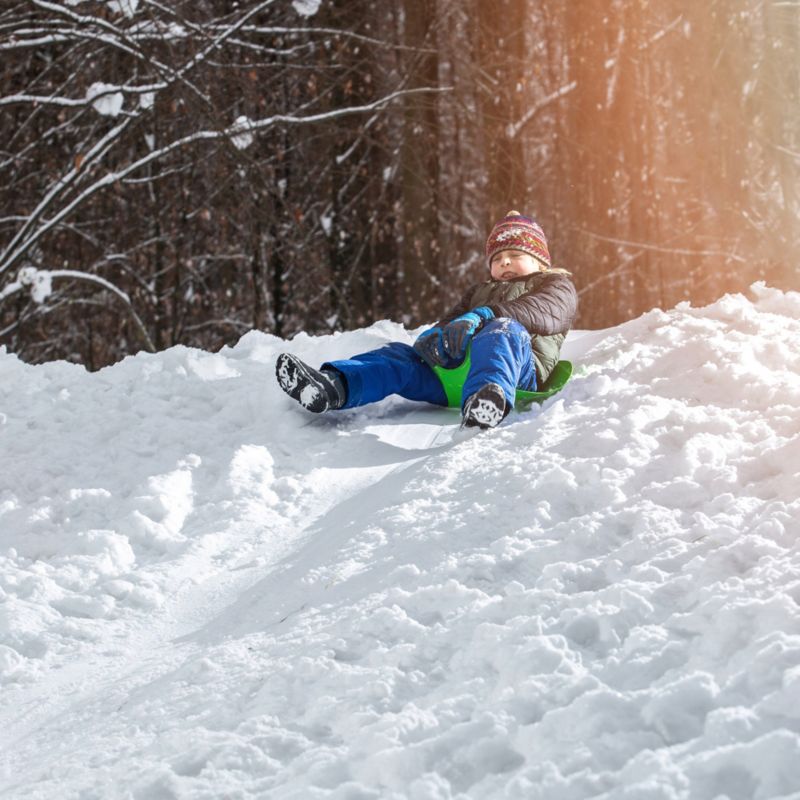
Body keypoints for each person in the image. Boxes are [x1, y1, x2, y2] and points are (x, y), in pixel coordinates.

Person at [276, 211, 578, 429]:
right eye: (497, 259)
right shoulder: (479, 291)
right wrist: (434, 339)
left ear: (540, 261)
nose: (504, 262)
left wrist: (489, 313)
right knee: (398, 357)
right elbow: (449, 322)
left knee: (504, 330)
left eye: (514, 254)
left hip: (515, 375)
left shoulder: (555, 285)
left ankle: (487, 400)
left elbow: (545, 311)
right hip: (455, 377)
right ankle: (333, 386)